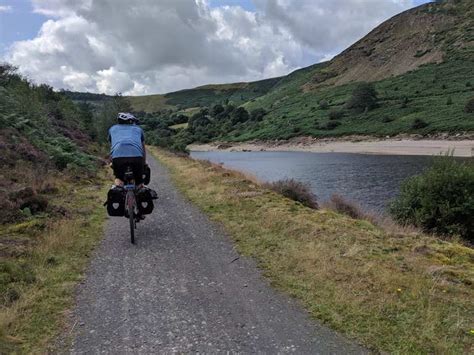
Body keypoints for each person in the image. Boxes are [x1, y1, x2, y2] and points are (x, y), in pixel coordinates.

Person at [109, 112, 146, 188]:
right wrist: (144, 162)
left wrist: (111, 161)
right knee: (139, 182)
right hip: (137, 157)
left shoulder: (112, 129)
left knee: (118, 178)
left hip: (118, 157)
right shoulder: (138, 129)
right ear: (131, 121)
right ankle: (139, 187)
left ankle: (118, 189)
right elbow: (143, 149)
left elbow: (112, 147)